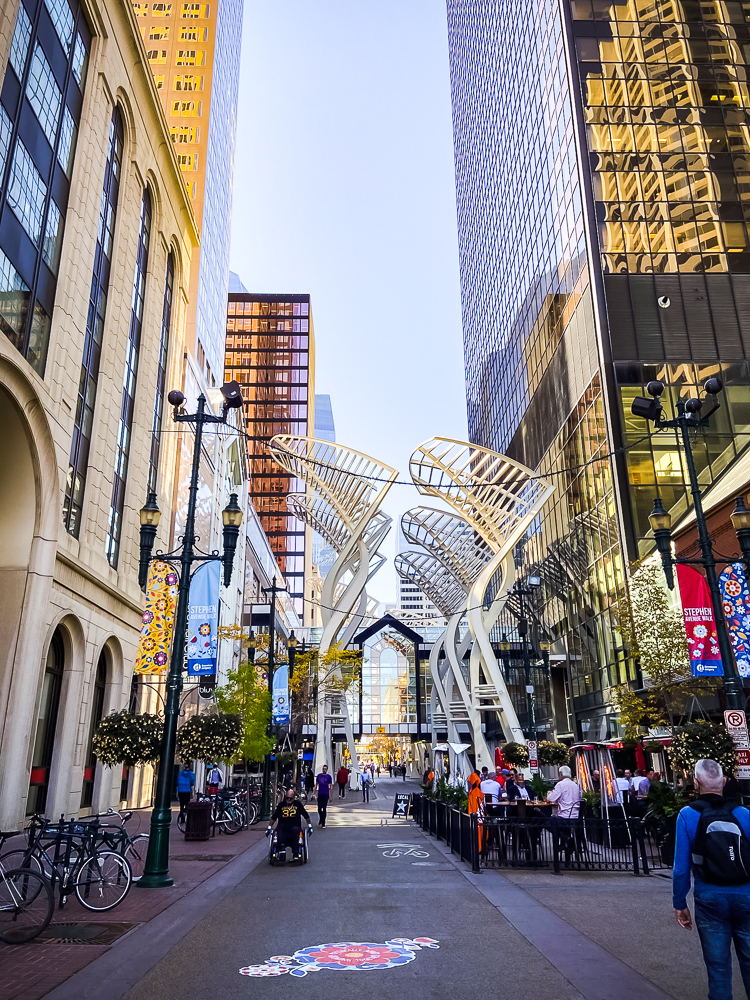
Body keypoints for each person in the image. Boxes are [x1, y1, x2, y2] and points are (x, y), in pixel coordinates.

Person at [673, 758, 750, 1000]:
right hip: (746, 895)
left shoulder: (687, 815)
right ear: (724, 782)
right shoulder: (745, 814)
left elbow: (681, 868)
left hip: (708, 896)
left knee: (718, 969)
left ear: (695, 783)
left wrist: (679, 903)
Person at [268, 785, 312, 854]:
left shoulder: (298, 804)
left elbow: (306, 815)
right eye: (287, 798)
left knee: (295, 831)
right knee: (279, 830)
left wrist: (309, 826)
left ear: (294, 798)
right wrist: (269, 827)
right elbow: (274, 817)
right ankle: (281, 847)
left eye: (290, 798)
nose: (288, 800)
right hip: (283, 826)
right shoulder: (281, 805)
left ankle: (295, 851)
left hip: (295, 826)